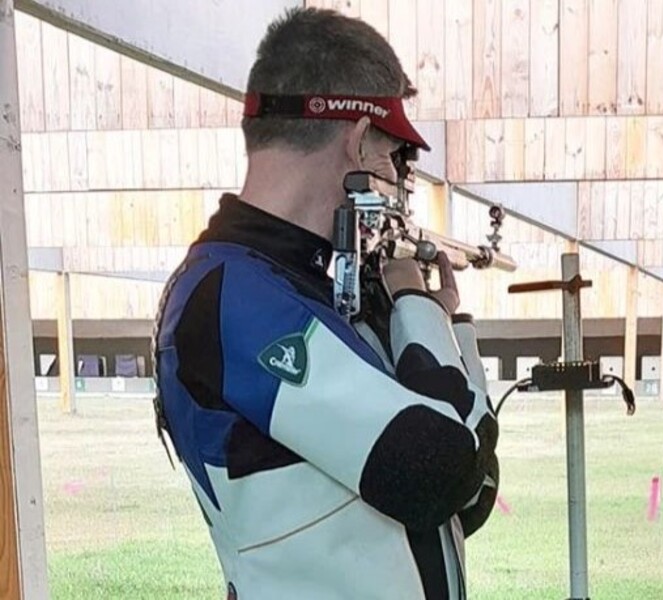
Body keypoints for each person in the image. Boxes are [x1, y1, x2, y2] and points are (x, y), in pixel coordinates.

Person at [152, 7, 499, 599]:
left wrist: (442, 320)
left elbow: (473, 497)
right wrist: (421, 309)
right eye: (393, 155)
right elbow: (439, 470)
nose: (394, 176)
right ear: (359, 138)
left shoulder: (328, 294)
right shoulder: (226, 295)